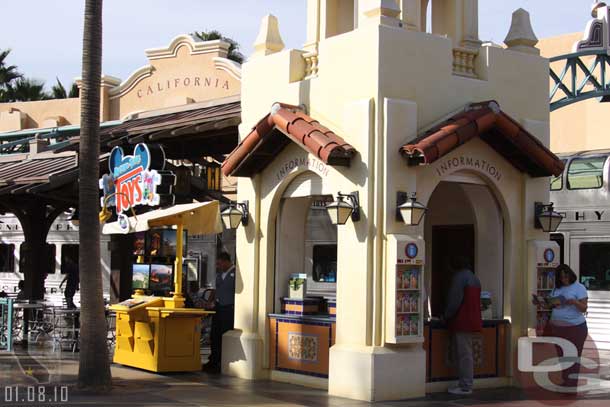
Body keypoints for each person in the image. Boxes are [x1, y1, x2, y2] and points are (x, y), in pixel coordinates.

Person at [534, 264, 588, 388]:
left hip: (575, 327)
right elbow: (551, 306)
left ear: (570, 274)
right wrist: (541, 302)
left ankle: (571, 384)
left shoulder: (579, 288)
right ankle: (566, 381)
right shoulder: (557, 289)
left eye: (566, 276)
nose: (564, 279)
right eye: (561, 277)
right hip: (557, 328)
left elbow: (584, 308)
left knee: (572, 356)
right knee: (562, 356)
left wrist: (574, 302)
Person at [444, 255, 482, 396]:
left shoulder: (459, 278)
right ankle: (465, 384)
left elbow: (454, 301)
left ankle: (466, 385)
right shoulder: (474, 277)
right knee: (467, 353)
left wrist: (446, 315)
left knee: (464, 354)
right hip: (473, 320)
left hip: (462, 321)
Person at [203, 252, 235, 373]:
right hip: (218, 308)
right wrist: (209, 301)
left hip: (229, 308)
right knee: (214, 335)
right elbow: (214, 290)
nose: (218, 266)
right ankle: (213, 360)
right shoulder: (219, 275)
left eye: (219, 263)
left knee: (224, 334)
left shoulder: (235, 274)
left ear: (226, 261)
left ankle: (223, 361)